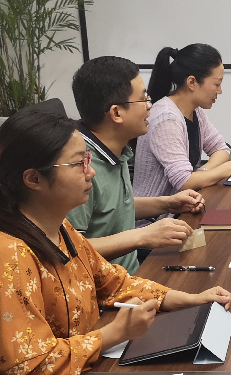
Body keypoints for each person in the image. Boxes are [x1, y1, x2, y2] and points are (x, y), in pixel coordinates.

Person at [0, 107, 231, 375]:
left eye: (88, 160)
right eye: (78, 164)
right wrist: (113, 333)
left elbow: (114, 283)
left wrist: (190, 301)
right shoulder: (7, 255)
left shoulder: (58, 228)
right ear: (33, 179)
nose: (90, 172)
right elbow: (28, 366)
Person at [67, 56, 206, 274]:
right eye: (142, 100)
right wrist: (142, 236)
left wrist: (168, 204)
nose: (150, 106)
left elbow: (112, 209)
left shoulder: (116, 147)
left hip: (131, 275)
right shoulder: (79, 166)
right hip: (107, 287)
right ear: (116, 113)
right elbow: (70, 251)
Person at [134, 43, 231, 201]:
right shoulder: (165, 118)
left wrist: (202, 173)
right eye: (217, 84)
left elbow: (221, 149)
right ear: (192, 82)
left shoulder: (196, 110)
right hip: (160, 213)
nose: (220, 91)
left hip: (186, 204)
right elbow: (184, 182)